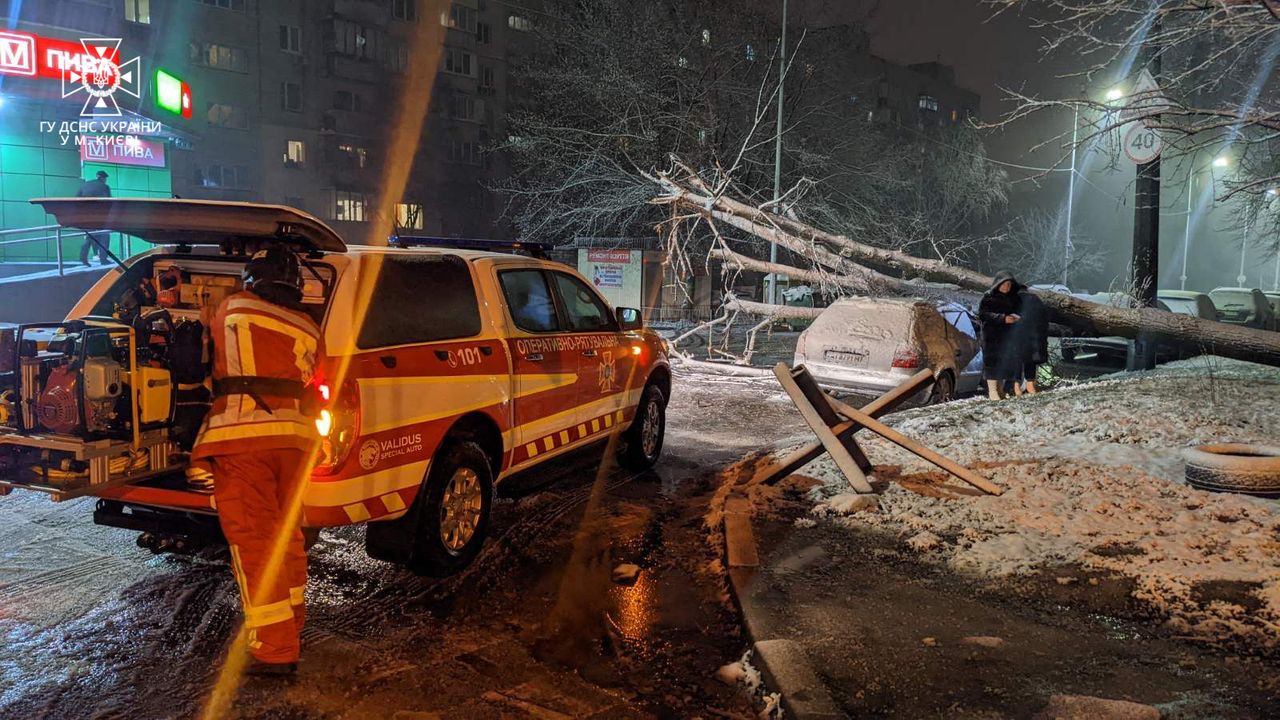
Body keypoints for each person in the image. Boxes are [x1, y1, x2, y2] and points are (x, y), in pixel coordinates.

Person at [191, 247, 322, 676]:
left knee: (254, 541)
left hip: (242, 437)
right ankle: (292, 623)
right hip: (296, 441)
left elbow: (198, 355)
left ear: (253, 278)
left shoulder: (232, 306)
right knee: (287, 537)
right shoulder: (309, 324)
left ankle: (273, 650)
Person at [978, 271, 1023, 400]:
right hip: (991, 336)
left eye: (1009, 285)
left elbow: (1021, 311)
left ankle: (1000, 389)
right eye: (1004, 284)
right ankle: (992, 391)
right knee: (992, 363)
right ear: (998, 284)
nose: (1006, 287)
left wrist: (1017, 317)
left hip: (1007, 336)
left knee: (1004, 363)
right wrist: (1002, 318)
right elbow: (982, 314)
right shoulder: (988, 297)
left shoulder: (1014, 298)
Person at [1012, 287, 1050, 395]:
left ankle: (1016, 386)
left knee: (1016, 361)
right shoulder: (1036, 299)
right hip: (1034, 336)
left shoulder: (1014, 299)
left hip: (1017, 335)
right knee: (1030, 361)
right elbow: (1044, 318)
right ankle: (1030, 386)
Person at [76, 171, 112, 266]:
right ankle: (103, 259)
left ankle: (83, 258)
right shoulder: (105, 187)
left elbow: (76, 199)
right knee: (104, 236)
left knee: (90, 237)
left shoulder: (85, 185)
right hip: (100, 216)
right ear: (104, 178)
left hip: (86, 216)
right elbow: (109, 202)